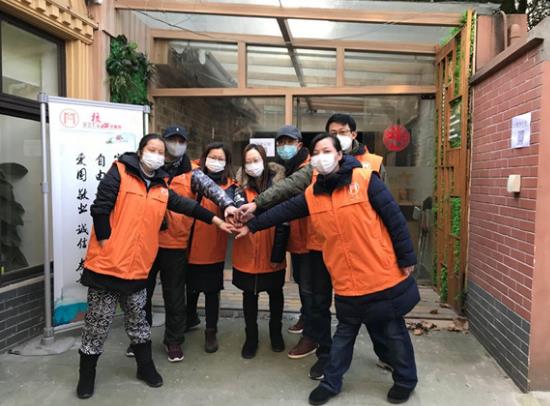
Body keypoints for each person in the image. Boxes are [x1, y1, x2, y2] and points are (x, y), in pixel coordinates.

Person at [236, 133, 419, 405]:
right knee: (344, 335)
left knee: (393, 331)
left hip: (379, 274)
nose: (321, 157)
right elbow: (283, 210)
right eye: (316, 153)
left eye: (327, 151)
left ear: (340, 155)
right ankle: (332, 383)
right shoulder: (313, 194)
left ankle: (405, 380)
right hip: (346, 280)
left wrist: (406, 257)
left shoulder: (365, 180)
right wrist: (251, 225)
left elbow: (395, 219)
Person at [76, 134, 233, 399]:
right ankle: (87, 375)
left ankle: (145, 367)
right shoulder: (120, 171)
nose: (157, 155)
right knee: (97, 324)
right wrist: (106, 243)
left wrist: (216, 220)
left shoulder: (160, 187)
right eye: (153, 150)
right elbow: (101, 208)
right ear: (140, 152)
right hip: (107, 266)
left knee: (138, 321)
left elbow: (186, 206)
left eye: (161, 152)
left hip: (138, 266)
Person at [129, 126, 237, 363]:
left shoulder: (192, 173)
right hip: (145, 242)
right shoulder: (146, 170)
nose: (175, 144)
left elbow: (212, 189)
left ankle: (173, 340)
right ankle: (139, 338)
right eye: (172, 140)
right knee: (141, 294)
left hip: (175, 243)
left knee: (175, 296)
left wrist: (228, 205)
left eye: (181, 141)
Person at [232, 144, 288, 359]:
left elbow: (284, 221)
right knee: (249, 296)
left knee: (275, 294)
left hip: (272, 248)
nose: (252, 165)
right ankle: (251, 337)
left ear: (264, 161)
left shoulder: (279, 187)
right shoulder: (238, 188)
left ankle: (276, 333)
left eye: (256, 160)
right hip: (246, 250)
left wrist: (278, 254)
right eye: (248, 161)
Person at [186, 142, 239, 353]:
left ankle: (211, 331)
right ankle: (189, 318)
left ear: (227, 163)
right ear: (204, 158)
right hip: (188, 244)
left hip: (213, 247)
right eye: (212, 157)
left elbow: (233, 206)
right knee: (189, 288)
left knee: (211, 291)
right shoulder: (192, 177)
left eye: (220, 158)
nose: (216, 162)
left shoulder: (231, 186)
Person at [273, 125, 318, 360]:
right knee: (302, 282)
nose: (284, 147)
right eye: (280, 143)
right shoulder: (289, 167)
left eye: (289, 142)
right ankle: (305, 316)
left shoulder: (308, 168)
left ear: (299, 144)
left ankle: (312, 336)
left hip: (311, 238)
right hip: (298, 238)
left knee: (310, 287)